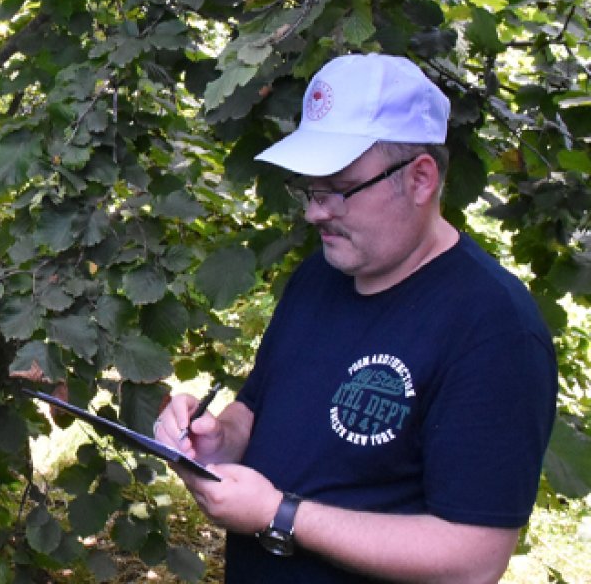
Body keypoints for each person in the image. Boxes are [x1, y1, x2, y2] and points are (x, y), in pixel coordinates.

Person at [154, 54, 557, 582]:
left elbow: (473, 559)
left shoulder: (493, 329)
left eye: (338, 189)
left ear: (420, 180)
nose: (314, 212)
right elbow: (258, 408)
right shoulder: (319, 276)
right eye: (309, 188)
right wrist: (215, 439)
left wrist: (280, 515)